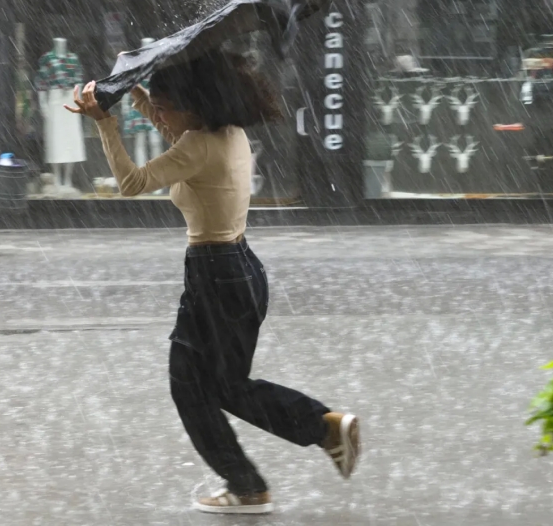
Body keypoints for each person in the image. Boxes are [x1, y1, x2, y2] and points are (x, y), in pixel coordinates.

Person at [64, 50, 360, 515]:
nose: (157, 115)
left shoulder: (197, 147)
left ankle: (311, 436)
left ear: (193, 106)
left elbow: (132, 182)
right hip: (238, 271)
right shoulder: (225, 133)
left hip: (216, 276)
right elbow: (171, 126)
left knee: (204, 387)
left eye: (164, 106)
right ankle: (257, 477)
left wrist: (105, 122)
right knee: (212, 384)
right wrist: (134, 90)